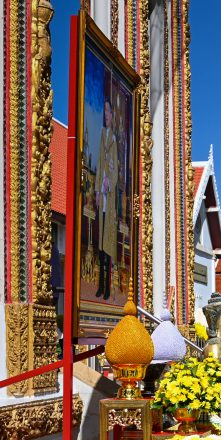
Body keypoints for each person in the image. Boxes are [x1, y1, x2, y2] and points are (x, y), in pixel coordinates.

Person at [95, 99, 119, 300]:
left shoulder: (114, 140)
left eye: (108, 112)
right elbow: (100, 161)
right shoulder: (102, 135)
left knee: (108, 243)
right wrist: (97, 189)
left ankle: (108, 286)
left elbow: (116, 170)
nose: (106, 115)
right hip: (101, 195)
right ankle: (100, 284)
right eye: (104, 112)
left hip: (109, 197)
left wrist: (109, 183)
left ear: (113, 115)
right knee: (99, 245)